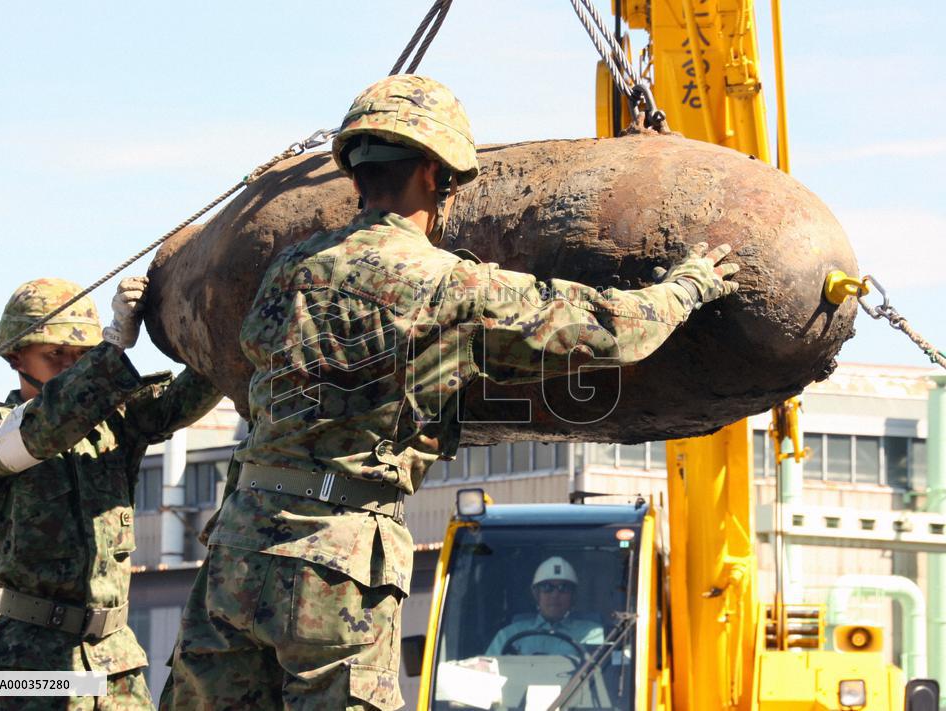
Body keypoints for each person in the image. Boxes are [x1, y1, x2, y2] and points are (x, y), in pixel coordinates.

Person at [161, 74, 739, 711]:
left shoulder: (291, 269)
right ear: (436, 175)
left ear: (354, 171)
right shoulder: (448, 286)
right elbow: (607, 331)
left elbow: (251, 351)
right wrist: (686, 287)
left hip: (239, 542)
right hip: (336, 557)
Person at [0, 276, 221, 710]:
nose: (70, 365)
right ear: (14, 355)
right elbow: (47, 427)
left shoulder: (114, 423)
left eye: (79, 355)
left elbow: (181, 400)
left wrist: (218, 324)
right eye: (55, 354)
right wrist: (109, 351)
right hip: (31, 659)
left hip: (115, 656)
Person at [486, 557, 603, 656]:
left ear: (573, 596)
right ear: (536, 594)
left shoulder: (594, 634)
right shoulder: (508, 635)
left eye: (564, 588)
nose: (555, 595)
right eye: (547, 587)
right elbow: (487, 675)